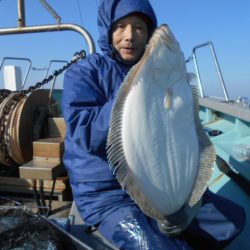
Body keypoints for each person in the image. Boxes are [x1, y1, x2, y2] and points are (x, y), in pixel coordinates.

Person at [62, 0, 245, 249]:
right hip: (107, 194)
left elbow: (183, 131)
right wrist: (133, 95)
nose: (129, 36)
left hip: (163, 180)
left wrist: (185, 201)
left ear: (148, 33)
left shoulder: (159, 71)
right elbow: (85, 133)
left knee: (232, 221)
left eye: (138, 28)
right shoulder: (84, 73)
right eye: (120, 27)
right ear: (108, 30)